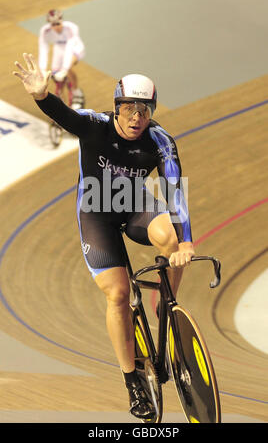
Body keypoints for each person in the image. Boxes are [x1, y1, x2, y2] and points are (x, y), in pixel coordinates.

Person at [13, 53, 195, 420]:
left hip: (133, 204)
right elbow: (64, 116)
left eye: (144, 111)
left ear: (152, 112)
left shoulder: (161, 141)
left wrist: (187, 241)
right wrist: (41, 96)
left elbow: (174, 191)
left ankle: (166, 306)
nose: (136, 118)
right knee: (118, 294)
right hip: (95, 211)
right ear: (116, 109)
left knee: (171, 239)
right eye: (129, 109)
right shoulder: (95, 126)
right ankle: (132, 381)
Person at [38, 9, 85, 109]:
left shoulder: (71, 27)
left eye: (58, 24)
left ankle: (77, 92)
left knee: (67, 70)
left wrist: (64, 68)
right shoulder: (45, 31)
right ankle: (60, 101)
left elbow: (70, 47)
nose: (56, 27)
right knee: (58, 79)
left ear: (61, 20)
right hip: (59, 49)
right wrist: (42, 69)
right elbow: (43, 49)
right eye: (53, 25)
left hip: (75, 48)